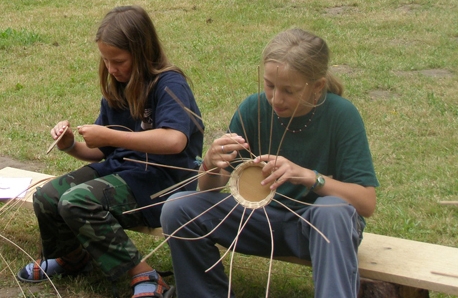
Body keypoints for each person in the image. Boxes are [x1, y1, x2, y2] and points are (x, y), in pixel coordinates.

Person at [161, 29, 378, 298]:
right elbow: (207, 192)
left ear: (318, 86)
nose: (276, 99)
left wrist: (310, 177)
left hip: (317, 229)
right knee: (178, 207)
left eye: (289, 90)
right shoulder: (253, 109)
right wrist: (210, 165)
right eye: (270, 86)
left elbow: (366, 203)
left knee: (331, 211)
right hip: (262, 222)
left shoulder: (341, 116)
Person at [18, 5, 203, 298]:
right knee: (48, 196)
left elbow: (175, 141)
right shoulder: (119, 87)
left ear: (142, 53)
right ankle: (73, 257)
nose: (112, 69)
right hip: (123, 171)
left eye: (118, 61)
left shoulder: (169, 84)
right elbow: (99, 151)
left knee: (77, 201)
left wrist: (111, 135)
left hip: (162, 181)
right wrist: (70, 145)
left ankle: (143, 273)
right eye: (106, 60)